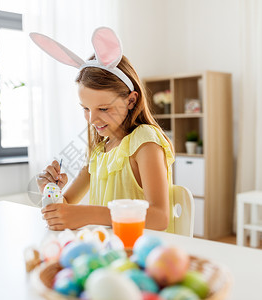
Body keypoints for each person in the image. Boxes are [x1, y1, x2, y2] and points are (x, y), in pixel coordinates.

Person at [30, 27, 175, 232]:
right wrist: (50, 192)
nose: (92, 118)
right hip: (109, 253)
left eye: (104, 108)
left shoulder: (145, 141)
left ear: (131, 100)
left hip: (142, 254)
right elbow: (64, 209)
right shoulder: (99, 151)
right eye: (86, 109)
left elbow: (159, 217)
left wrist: (89, 214)